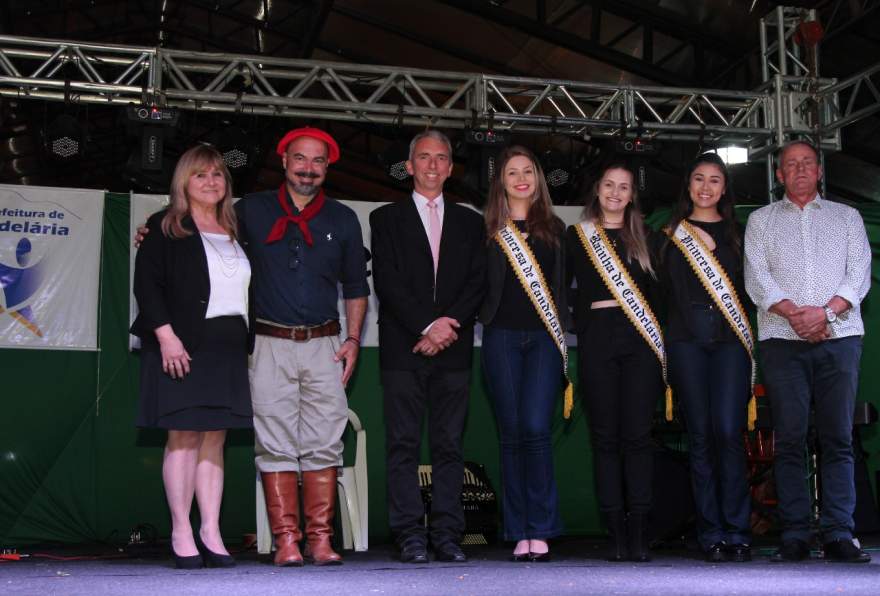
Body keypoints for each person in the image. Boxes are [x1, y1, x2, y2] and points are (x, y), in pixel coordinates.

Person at [136, 127, 369, 567]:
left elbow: (356, 286)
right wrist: (149, 233)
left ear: (327, 168)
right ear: (284, 160)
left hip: (324, 344)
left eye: (318, 161)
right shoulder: (249, 212)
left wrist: (354, 338)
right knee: (272, 443)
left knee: (325, 442)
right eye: (300, 158)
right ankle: (285, 541)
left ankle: (320, 540)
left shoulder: (343, 218)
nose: (308, 168)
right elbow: (186, 234)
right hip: (265, 342)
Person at [745, 140, 872, 563]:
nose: (799, 170)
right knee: (790, 440)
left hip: (841, 338)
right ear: (778, 175)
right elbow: (757, 278)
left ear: (819, 171)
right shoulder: (760, 221)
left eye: (807, 163)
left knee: (838, 437)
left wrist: (825, 315)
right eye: (790, 165)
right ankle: (795, 535)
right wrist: (796, 316)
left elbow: (859, 275)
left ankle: (839, 533)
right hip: (782, 341)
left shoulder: (848, 217)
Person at [131, 144, 252, 569]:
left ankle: (210, 530)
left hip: (229, 343)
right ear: (184, 181)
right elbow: (147, 287)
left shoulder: (239, 229)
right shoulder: (164, 226)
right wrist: (166, 337)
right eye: (200, 174)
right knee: (182, 436)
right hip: (180, 344)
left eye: (218, 174)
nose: (211, 182)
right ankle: (182, 529)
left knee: (215, 438)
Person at [369, 130, 486, 564]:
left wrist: (445, 328)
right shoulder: (384, 219)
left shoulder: (472, 221)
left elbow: (477, 283)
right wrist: (427, 325)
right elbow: (388, 282)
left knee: (449, 446)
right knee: (402, 445)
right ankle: (409, 536)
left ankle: (447, 535)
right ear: (410, 166)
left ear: (451, 168)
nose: (433, 165)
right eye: (424, 157)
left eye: (441, 158)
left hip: (453, 350)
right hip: (404, 348)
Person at [565, 162, 664, 562]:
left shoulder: (648, 237)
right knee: (604, 439)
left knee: (638, 438)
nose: (616, 193)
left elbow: (660, 297)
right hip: (598, 342)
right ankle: (616, 533)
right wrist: (584, 326)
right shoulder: (577, 237)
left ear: (631, 194)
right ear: (597, 189)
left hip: (640, 343)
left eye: (624, 187)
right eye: (609, 185)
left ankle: (640, 529)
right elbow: (560, 290)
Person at [659, 152, 753, 562]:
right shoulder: (668, 233)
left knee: (729, 433)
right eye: (699, 178)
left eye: (715, 180)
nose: (706, 187)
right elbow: (663, 293)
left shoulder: (740, 232)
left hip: (731, 344)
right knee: (699, 436)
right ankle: (710, 532)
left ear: (724, 188)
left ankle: (738, 530)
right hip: (687, 343)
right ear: (688, 185)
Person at [479, 145, 570, 562]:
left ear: (538, 179)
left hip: (544, 340)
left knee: (536, 428)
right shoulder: (488, 229)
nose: (521, 178)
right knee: (512, 432)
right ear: (501, 181)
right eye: (512, 172)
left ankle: (544, 526)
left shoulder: (556, 229)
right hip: (500, 337)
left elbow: (564, 289)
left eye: (528, 171)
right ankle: (519, 529)